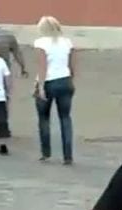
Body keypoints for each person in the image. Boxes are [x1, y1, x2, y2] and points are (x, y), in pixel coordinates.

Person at [33, 16, 76, 165]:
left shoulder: (40, 43)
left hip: (49, 82)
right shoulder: (67, 42)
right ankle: (68, 155)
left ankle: (46, 152)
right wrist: (71, 81)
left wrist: (40, 86)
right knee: (65, 118)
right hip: (65, 80)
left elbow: (42, 67)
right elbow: (71, 66)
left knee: (44, 118)